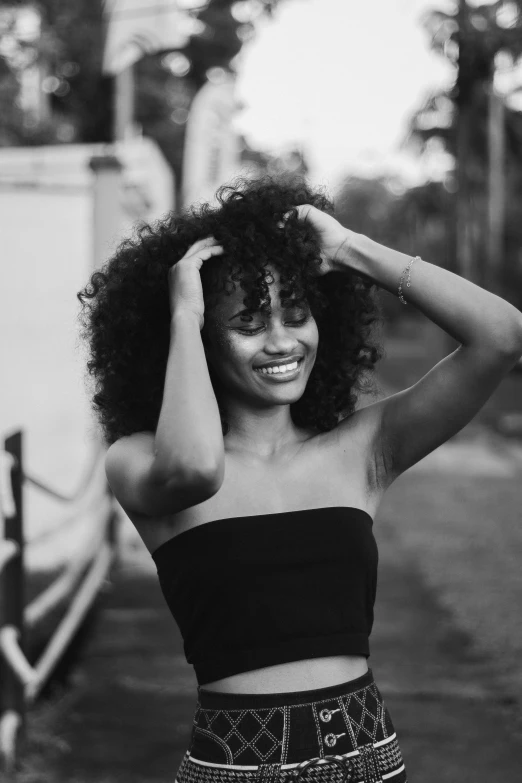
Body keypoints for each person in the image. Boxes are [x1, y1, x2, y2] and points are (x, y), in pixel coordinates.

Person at [77, 175, 522, 783]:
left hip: (371, 763)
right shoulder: (139, 460)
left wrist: (350, 251)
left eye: (297, 313)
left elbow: (500, 335)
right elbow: (197, 469)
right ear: (202, 341)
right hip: (232, 770)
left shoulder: (361, 450)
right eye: (249, 323)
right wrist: (183, 315)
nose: (282, 341)